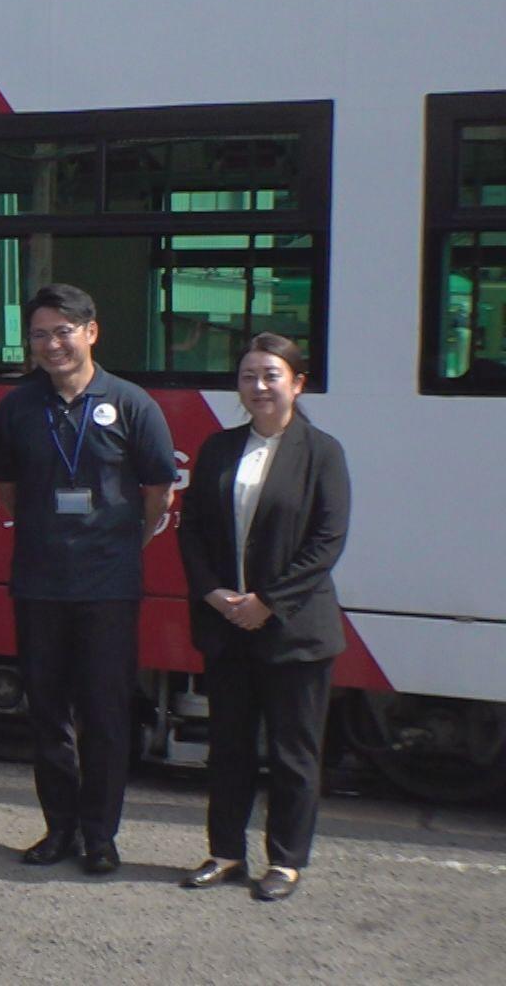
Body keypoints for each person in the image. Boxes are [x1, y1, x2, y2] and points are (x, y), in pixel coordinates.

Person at [0, 283, 177, 874]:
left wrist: (119, 546)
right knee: (46, 714)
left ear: (90, 332)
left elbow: (158, 494)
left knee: (104, 714)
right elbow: (8, 491)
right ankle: (59, 827)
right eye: (40, 334)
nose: (51, 345)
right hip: (39, 583)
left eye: (63, 332)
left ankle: (100, 834)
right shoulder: (19, 406)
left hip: (108, 588)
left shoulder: (132, 402)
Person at [177, 334, 350, 902]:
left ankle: (286, 861)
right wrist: (213, 593)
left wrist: (267, 601)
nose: (259, 386)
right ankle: (225, 852)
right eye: (249, 376)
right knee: (228, 748)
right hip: (227, 626)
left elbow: (327, 541)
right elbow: (193, 530)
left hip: (295, 632)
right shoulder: (219, 448)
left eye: (271, 375)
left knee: (293, 754)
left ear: (296, 383)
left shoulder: (322, 452)